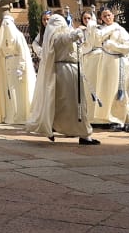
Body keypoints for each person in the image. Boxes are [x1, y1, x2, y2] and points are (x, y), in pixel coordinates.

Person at [24, 13, 97, 145]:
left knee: (62, 103)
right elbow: (69, 37)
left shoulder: (51, 39)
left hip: (65, 71)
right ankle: (83, 134)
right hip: (67, 72)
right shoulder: (56, 37)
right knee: (74, 103)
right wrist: (81, 30)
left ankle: (56, 126)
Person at [91, 8, 129, 132]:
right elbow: (95, 40)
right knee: (109, 92)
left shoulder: (119, 29)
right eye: (104, 16)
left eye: (109, 15)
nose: (107, 18)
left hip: (119, 62)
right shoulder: (100, 31)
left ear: (113, 16)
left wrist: (115, 46)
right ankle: (115, 119)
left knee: (121, 92)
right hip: (106, 63)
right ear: (101, 18)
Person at [0, 10, 36, 126]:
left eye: (7, 24)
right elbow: (0, 53)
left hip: (17, 66)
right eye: (4, 25)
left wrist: (21, 67)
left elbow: (23, 53)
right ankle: (11, 115)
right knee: (9, 91)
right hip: (7, 65)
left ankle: (21, 115)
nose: (5, 27)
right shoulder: (3, 39)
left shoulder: (18, 36)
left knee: (18, 92)